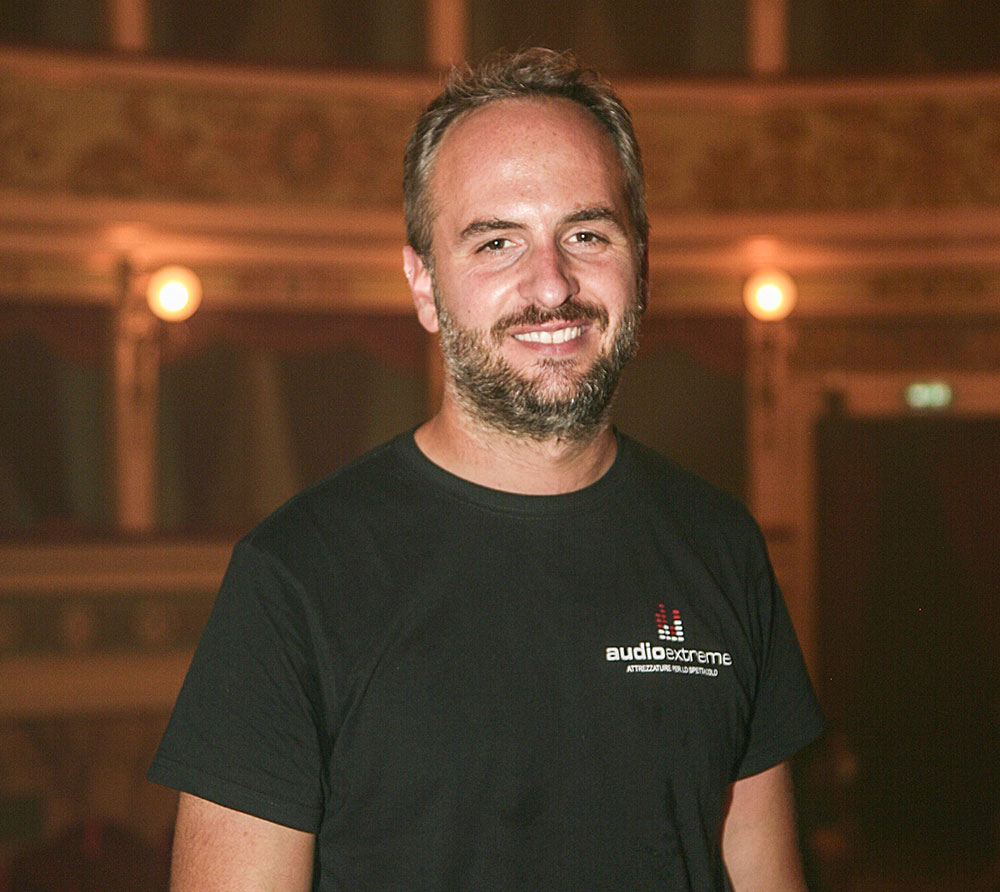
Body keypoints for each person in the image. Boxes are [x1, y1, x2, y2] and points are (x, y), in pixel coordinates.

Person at [149, 47, 824, 891]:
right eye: (497, 242)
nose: (552, 285)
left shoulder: (722, 546)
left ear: (642, 263)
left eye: (587, 234)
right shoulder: (295, 575)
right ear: (423, 285)